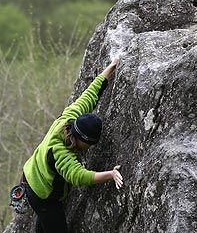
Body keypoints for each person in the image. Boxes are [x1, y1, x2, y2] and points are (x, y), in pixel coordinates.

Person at [21, 57, 123, 233]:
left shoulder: (71, 117)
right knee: (54, 223)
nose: (89, 149)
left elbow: (90, 94)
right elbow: (78, 176)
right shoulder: (60, 152)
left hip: (32, 172)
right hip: (40, 193)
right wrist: (111, 174)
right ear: (81, 140)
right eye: (88, 145)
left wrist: (112, 66)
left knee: (45, 224)